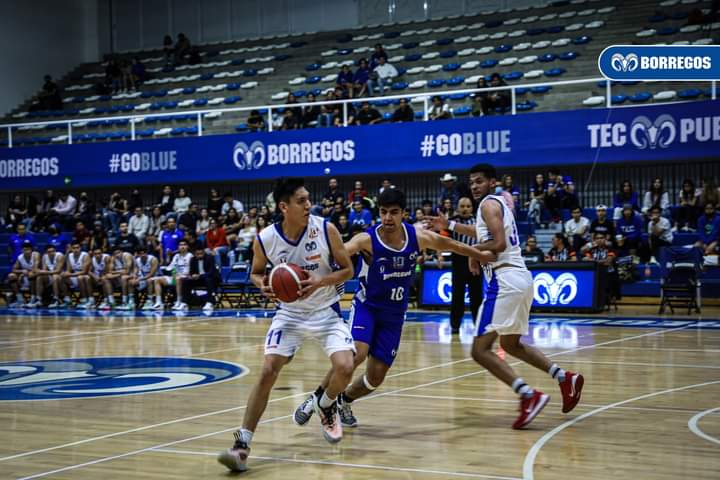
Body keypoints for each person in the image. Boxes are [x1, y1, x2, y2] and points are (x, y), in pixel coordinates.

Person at [292, 188, 494, 429]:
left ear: (404, 214)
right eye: (384, 212)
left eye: (394, 213)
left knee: (376, 377)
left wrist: (480, 254)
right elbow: (339, 253)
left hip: (394, 315)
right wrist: (306, 272)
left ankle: (343, 401)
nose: (388, 218)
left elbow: (450, 243)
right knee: (356, 353)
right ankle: (317, 399)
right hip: (367, 306)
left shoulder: (417, 237)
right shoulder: (366, 239)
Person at [217, 177, 356, 472]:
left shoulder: (326, 229)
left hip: (325, 310)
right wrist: (263, 284)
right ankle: (242, 445)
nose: (309, 205)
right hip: (289, 314)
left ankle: (327, 404)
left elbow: (348, 269)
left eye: (308, 199)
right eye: (301, 201)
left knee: (345, 367)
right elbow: (255, 273)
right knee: (268, 370)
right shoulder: (265, 238)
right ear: (284, 206)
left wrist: (322, 280)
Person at [430, 163, 584, 429]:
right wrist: (451, 224)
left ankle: (528, 395)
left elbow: (497, 244)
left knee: (480, 350)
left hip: (505, 280)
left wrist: (473, 253)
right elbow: (483, 234)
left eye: (480, 181)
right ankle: (564, 377)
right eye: (472, 182)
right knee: (512, 345)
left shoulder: (488, 205)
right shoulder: (496, 205)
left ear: (492, 182)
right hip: (520, 278)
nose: (475, 185)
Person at [447, 197, 483, 334]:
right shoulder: (452, 222)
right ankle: (455, 325)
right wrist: (439, 254)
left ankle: (479, 324)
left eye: (468, 206)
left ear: (472, 208)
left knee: (477, 296)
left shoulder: (479, 222)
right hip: (458, 260)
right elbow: (442, 238)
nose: (465, 209)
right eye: (462, 206)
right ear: (457, 207)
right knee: (457, 295)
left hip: (475, 259)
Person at [150, 238, 193, 311]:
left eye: (184, 245)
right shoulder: (176, 256)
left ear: (188, 247)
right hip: (174, 277)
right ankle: (159, 302)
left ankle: (179, 301)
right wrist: (174, 273)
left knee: (177, 279)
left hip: (185, 278)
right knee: (157, 280)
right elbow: (170, 268)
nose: (182, 246)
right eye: (180, 245)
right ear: (178, 247)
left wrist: (177, 275)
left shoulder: (190, 256)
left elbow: (190, 270)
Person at [184, 243, 221, 312]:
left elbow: (211, 272)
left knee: (208, 279)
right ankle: (186, 302)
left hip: (211, 279)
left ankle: (210, 302)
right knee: (186, 281)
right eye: (197, 254)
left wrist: (200, 276)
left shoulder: (210, 258)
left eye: (201, 254)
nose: (200, 255)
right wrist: (192, 276)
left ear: (204, 252)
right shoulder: (192, 260)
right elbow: (191, 272)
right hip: (199, 279)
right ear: (195, 253)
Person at [7, 242, 40, 308]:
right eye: (24, 249)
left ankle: (33, 299)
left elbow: (35, 269)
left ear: (31, 250)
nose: (26, 251)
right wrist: (22, 271)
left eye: (28, 249)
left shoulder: (36, 255)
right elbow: (14, 269)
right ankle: (20, 299)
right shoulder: (20, 257)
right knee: (11, 276)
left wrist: (23, 274)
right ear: (22, 250)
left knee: (31, 274)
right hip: (25, 276)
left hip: (37, 276)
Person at [61, 241, 91, 309]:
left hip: (85, 276)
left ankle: (85, 299)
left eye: (77, 248)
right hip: (75, 276)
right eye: (74, 248)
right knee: (61, 277)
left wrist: (70, 274)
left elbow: (84, 271)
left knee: (80, 277)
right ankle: (67, 299)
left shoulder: (85, 255)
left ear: (80, 248)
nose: (76, 249)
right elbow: (68, 269)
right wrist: (66, 273)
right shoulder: (69, 255)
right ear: (71, 249)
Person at [131, 245, 159, 310]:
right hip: (144, 278)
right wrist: (134, 277)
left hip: (157, 278)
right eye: (140, 253)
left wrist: (139, 279)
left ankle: (150, 300)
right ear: (138, 254)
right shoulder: (137, 260)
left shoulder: (153, 259)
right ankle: (132, 301)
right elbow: (136, 270)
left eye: (144, 253)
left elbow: (152, 274)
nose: (143, 255)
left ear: (147, 253)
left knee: (149, 280)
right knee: (131, 282)